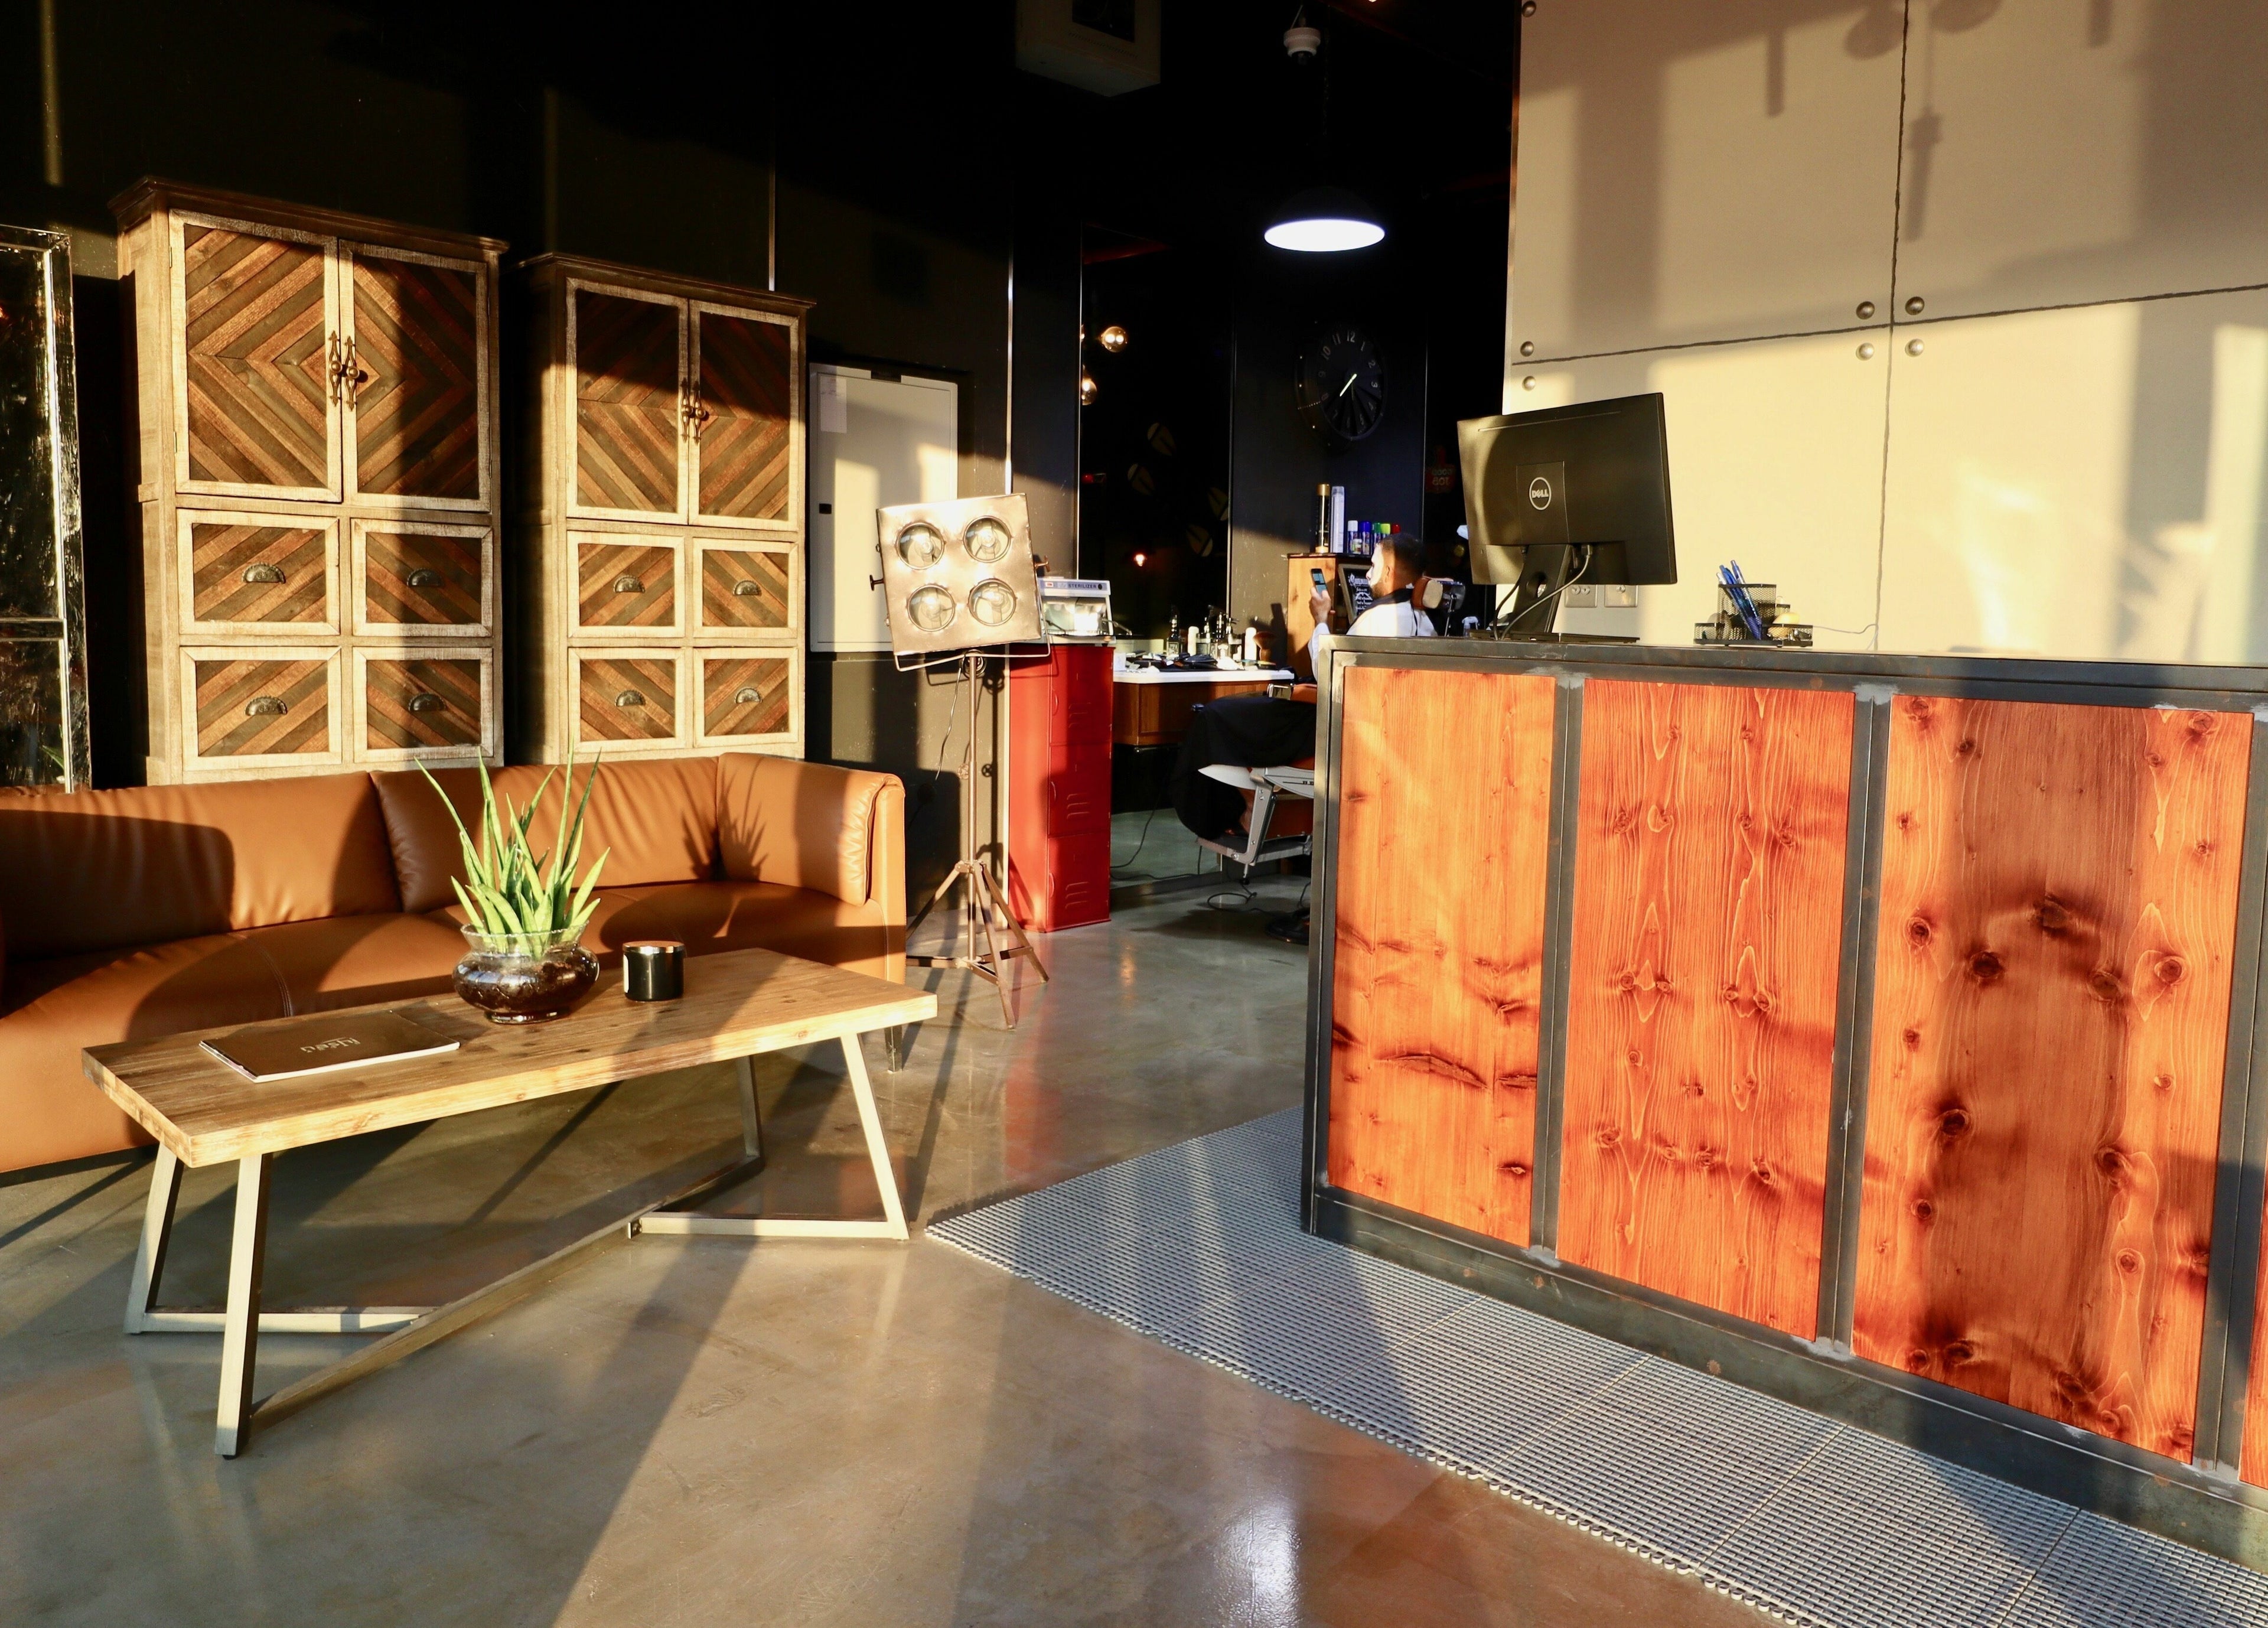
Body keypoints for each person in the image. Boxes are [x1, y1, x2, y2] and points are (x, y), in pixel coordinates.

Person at [1168, 531, 1433, 857]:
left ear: (1390, 572)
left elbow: (1331, 673)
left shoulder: (1379, 619)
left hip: (1332, 724)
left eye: (1373, 567)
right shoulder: (1423, 622)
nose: (1366, 575)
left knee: (1215, 716)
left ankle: (1250, 805)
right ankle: (1250, 802)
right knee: (1240, 711)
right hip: (1367, 725)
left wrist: (1320, 620)